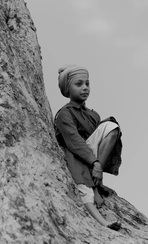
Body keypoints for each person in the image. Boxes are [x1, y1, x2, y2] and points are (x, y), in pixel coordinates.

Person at [54, 64, 123, 231]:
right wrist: (95, 163)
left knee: (111, 127)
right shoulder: (64, 114)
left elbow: (100, 139)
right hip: (74, 154)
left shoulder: (93, 115)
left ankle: (96, 178)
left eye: (87, 84)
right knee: (85, 190)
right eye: (79, 84)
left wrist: (96, 163)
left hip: (91, 156)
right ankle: (103, 222)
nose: (85, 88)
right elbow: (74, 141)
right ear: (67, 89)